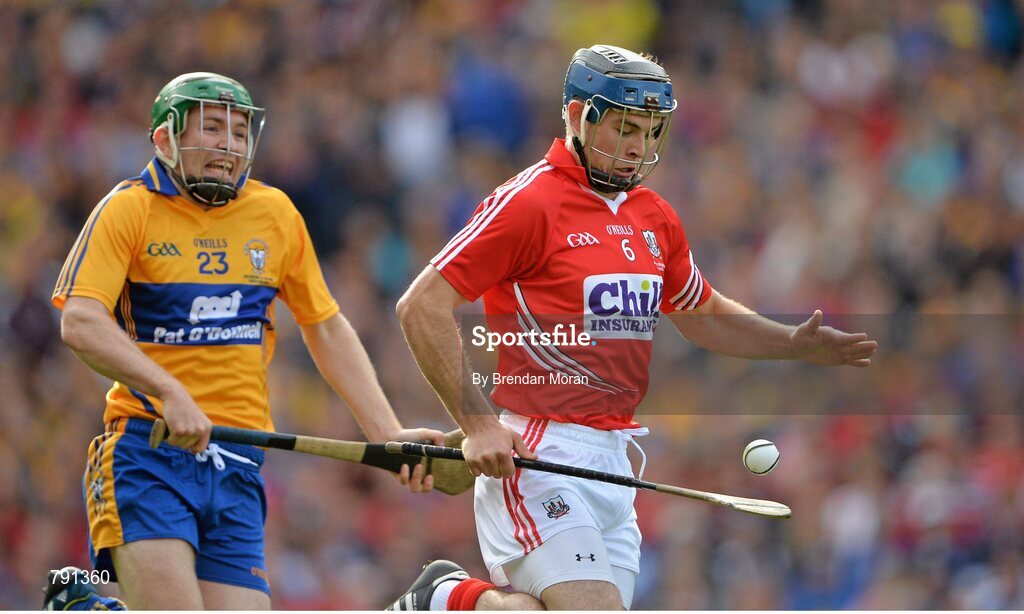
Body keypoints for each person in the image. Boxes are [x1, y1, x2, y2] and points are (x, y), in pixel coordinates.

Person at [389, 45, 878, 611]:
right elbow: (420, 306)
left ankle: (446, 597)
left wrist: (790, 343)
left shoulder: (655, 217)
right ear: (577, 116)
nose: (637, 147)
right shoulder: (528, 202)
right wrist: (476, 424)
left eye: (649, 131)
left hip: (615, 461)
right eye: (623, 128)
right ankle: (444, 596)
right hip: (539, 449)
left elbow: (702, 314)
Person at [47, 72, 442, 610]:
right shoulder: (128, 210)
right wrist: (169, 391)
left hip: (238, 462)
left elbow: (323, 325)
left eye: (238, 133)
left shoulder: (275, 214)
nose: (228, 147)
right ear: (165, 139)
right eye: (211, 129)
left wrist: (386, 433)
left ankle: (91, 607)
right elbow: (81, 322)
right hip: (148, 453)